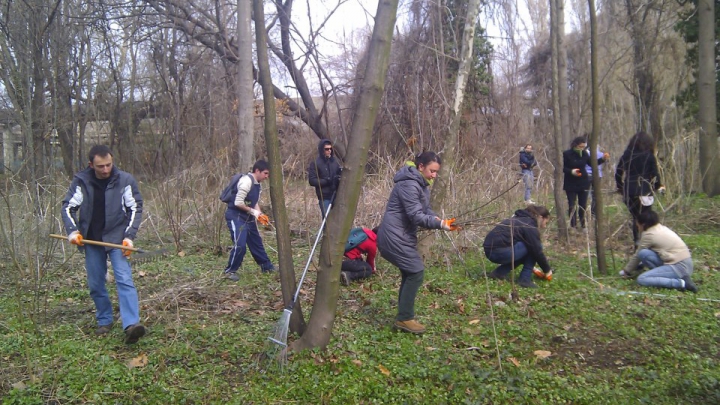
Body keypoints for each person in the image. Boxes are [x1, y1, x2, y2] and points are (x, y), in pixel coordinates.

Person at [61, 145, 146, 344]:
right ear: (91, 165)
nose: (106, 170)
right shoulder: (82, 181)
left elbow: (135, 208)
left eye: (109, 164)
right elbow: (68, 208)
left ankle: (131, 324)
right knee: (96, 282)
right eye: (101, 166)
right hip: (92, 239)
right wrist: (73, 232)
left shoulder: (124, 180)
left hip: (117, 239)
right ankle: (105, 320)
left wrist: (129, 236)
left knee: (124, 279)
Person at [377, 152, 459, 335]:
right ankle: (404, 318)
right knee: (416, 272)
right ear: (420, 167)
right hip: (393, 237)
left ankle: (404, 316)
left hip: (402, 236)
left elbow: (424, 209)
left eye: (436, 172)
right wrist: (439, 224)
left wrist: (436, 218)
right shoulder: (409, 184)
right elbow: (415, 215)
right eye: (432, 171)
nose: (434, 175)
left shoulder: (421, 185)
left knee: (410, 272)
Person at [222, 160, 276, 281]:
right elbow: (238, 203)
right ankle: (230, 271)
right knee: (240, 245)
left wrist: (260, 214)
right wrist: (254, 212)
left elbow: (254, 201)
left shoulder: (258, 183)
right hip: (235, 216)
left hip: (248, 216)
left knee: (256, 242)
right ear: (257, 171)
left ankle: (266, 266)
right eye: (265, 173)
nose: (267, 177)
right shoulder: (246, 182)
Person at [619, 210, 697, 293]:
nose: (637, 227)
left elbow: (636, 255)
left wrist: (626, 271)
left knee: (642, 279)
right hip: (685, 263)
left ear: (643, 224)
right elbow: (642, 253)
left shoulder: (649, 235)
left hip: (679, 267)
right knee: (644, 253)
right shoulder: (660, 228)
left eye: (638, 225)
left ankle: (682, 283)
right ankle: (663, 275)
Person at [483, 205, 553, 288]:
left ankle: (498, 273)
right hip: (500, 252)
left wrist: (532, 267)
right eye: (546, 222)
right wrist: (547, 270)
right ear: (541, 217)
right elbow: (537, 251)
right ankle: (524, 279)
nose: (544, 226)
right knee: (535, 247)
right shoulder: (529, 225)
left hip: (489, 251)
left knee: (529, 247)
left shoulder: (517, 218)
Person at [615, 131, 664, 245]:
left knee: (636, 218)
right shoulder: (649, 155)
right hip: (645, 191)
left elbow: (618, 172)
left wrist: (621, 187)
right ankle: (645, 243)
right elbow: (655, 174)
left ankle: (637, 243)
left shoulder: (627, 154)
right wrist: (658, 186)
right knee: (645, 219)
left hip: (629, 191)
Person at [563, 136, 608, 231]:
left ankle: (583, 224)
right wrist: (571, 171)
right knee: (572, 204)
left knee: (582, 204)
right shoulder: (566, 154)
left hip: (583, 182)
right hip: (570, 182)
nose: (582, 148)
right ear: (575, 145)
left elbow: (592, 163)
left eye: (584, 147)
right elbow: (563, 168)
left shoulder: (584, 154)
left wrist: (603, 159)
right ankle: (573, 225)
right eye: (580, 146)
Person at [307, 139, 342, 217]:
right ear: (322, 150)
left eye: (330, 149)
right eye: (326, 149)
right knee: (327, 219)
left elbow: (338, 174)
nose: (329, 151)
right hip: (324, 196)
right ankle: (325, 229)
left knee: (337, 218)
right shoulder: (316, 163)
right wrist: (326, 181)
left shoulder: (335, 162)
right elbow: (312, 180)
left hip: (336, 195)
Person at [585, 145, 606, 218]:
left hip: (587, 175)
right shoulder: (601, 154)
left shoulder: (585, 153)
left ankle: (585, 212)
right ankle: (593, 214)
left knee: (585, 194)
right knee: (595, 195)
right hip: (598, 176)